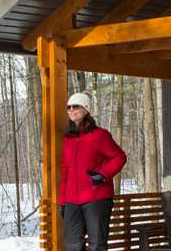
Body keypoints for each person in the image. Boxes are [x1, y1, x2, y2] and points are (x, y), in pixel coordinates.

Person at [59, 92, 127, 251]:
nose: (71, 110)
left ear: (86, 109)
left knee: (97, 245)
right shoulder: (68, 139)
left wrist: (102, 175)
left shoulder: (100, 135)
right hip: (71, 200)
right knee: (72, 245)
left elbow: (119, 157)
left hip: (96, 198)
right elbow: (65, 170)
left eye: (75, 106)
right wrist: (62, 200)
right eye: (68, 107)